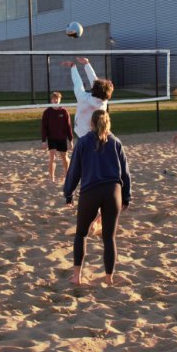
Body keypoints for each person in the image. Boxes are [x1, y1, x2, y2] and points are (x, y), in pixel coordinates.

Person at [63, 109, 131, 286]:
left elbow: (74, 171)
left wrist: (68, 193)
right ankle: (109, 278)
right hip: (112, 192)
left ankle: (77, 276)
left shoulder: (84, 142)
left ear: (91, 123)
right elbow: (125, 174)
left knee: (81, 233)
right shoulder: (116, 142)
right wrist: (126, 197)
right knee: (109, 238)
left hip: (90, 192)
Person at [61, 56, 114, 138]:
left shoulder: (83, 99)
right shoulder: (104, 100)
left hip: (83, 135)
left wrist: (73, 67)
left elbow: (78, 83)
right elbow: (95, 82)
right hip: (99, 133)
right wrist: (87, 64)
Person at [41, 91, 73, 183]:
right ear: (51, 100)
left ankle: (67, 175)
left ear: (60, 100)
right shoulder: (47, 112)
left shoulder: (64, 111)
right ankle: (52, 178)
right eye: (54, 98)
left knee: (65, 158)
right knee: (52, 157)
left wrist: (70, 140)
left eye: (57, 99)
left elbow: (68, 126)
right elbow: (44, 127)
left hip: (62, 138)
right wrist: (44, 140)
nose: (55, 100)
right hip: (52, 138)